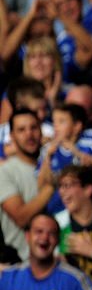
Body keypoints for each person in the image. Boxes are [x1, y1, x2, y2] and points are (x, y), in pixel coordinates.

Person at [0, 110, 55, 261]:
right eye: (21, 130)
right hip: (22, 264)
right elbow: (20, 217)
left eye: (34, 128)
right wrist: (51, 188)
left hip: (61, 261)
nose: (29, 134)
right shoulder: (5, 172)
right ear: (11, 136)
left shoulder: (55, 164)